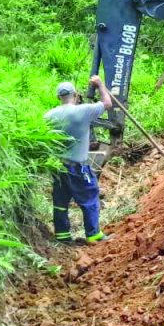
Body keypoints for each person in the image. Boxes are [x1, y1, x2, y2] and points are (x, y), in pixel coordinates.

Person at [44, 76, 114, 245]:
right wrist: (100, 85)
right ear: (75, 95)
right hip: (78, 167)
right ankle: (93, 234)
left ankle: (62, 235)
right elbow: (107, 103)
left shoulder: (48, 116)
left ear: (58, 97)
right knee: (90, 196)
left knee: (60, 201)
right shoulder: (83, 111)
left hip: (58, 166)